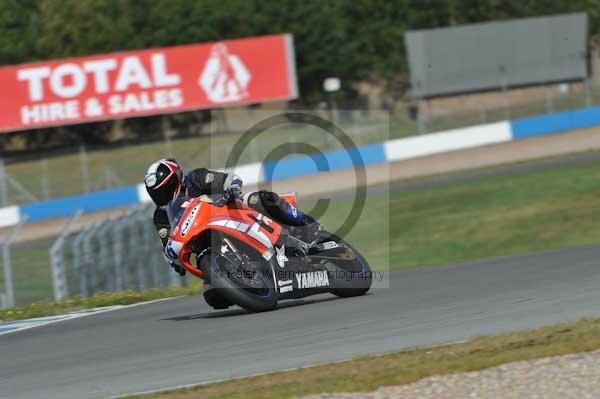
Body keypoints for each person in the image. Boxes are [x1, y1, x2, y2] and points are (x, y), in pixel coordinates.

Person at [144, 158, 322, 276]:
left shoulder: (195, 179)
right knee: (213, 297)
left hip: (230, 214)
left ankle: (307, 225)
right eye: (156, 193)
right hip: (206, 245)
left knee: (258, 199)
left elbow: (229, 179)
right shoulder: (161, 216)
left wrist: (232, 189)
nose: (161, 196)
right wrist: (173, 262)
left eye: (164, 190)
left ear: (176, 180)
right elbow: (167, 244)